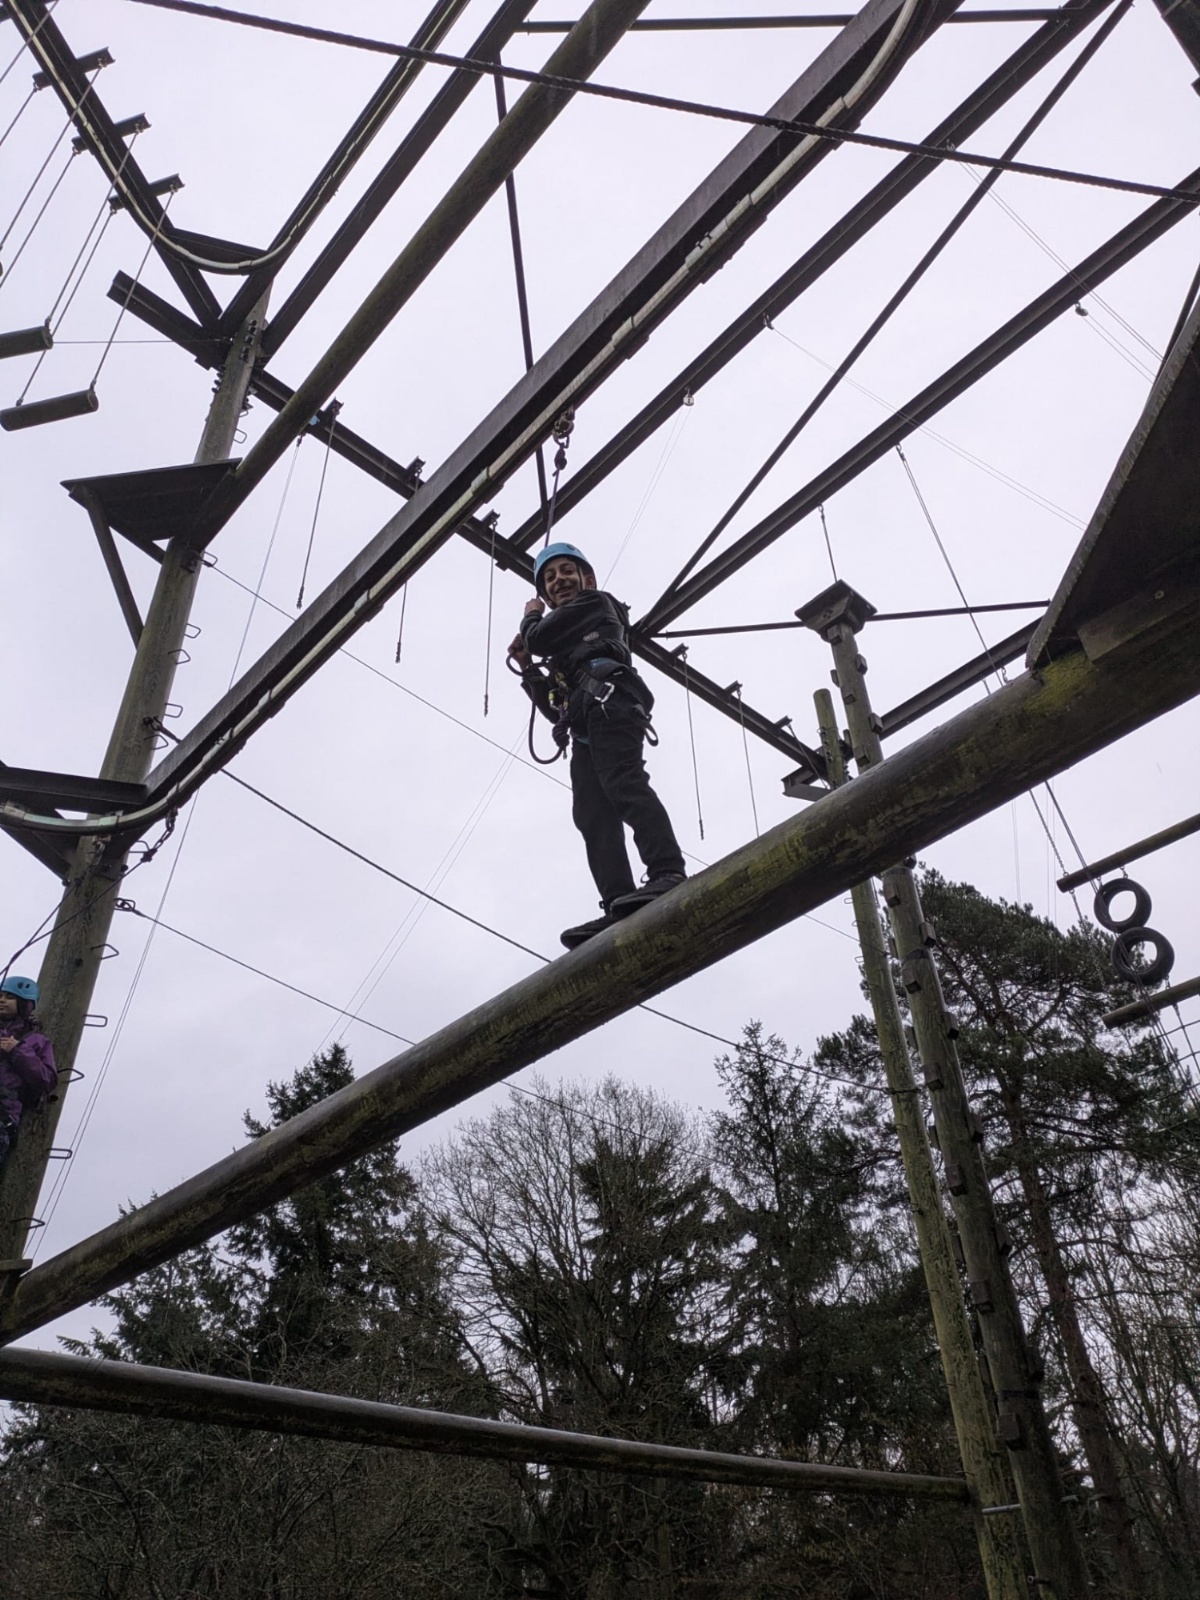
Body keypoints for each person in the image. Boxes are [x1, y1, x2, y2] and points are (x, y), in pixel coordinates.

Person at [510, 542, 687, 949]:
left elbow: (538, 637)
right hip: (586, 720)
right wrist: (528, 669)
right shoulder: (565, 645)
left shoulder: (596, 603)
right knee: (592, 814)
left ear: (586, 579)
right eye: (550, 578)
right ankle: (618, 900)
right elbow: (555, 709)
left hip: (611, 703)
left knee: (623, 783)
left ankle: (667, 870)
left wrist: (531, 616)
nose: (559, 580)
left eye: (566, 571)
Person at [0, 975, 56, 1175]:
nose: (2, 1000)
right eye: (0, 995)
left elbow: (46, 1080)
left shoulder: (35, 1042)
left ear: (24, 1004)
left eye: (9, 997)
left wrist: (17, 1050)